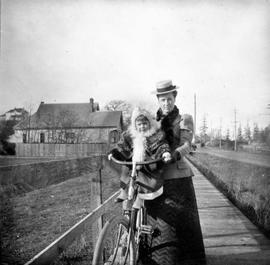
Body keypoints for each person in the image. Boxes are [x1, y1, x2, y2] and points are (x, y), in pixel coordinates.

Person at [144, 80, 206, 265]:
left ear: (174, 98)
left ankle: (189, 259)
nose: (166, 103)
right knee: (158, 219)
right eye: (162, 100)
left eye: (169, 99)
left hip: (178, 176)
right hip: (156, 176)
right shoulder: (151, 122)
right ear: (158, 100)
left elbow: (187, 144)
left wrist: (175, 154)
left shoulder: (184, 119)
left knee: (184, 219)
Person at [109, 107, 171, 206]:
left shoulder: (155, 135)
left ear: (149, 124)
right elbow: (121, 146)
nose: (142, 127)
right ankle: (124, 191)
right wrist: (114, 152)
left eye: (145, 124)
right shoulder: (129, 135)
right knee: (125, 168)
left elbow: (162, 145)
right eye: (139, 124)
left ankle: (140, 199)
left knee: (146, 177)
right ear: (135, 125)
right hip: (133, 162)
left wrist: (165, 153)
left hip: (148, 163)